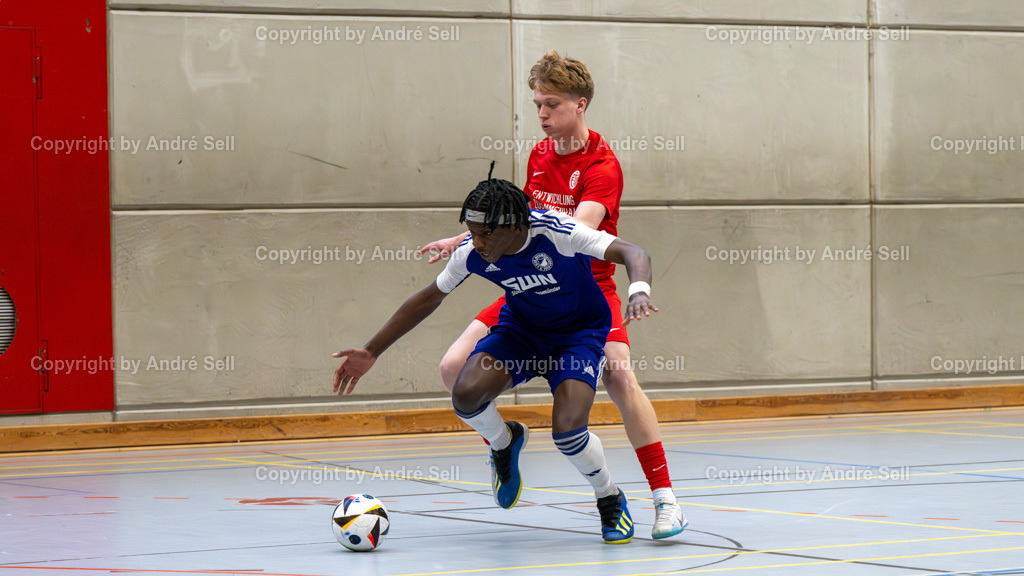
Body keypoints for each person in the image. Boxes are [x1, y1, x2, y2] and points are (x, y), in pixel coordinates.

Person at [417, 50, 687, 539]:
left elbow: (572, 234)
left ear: (580, 104)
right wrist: (461, 240)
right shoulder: (541, 155)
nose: (541, 114)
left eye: (552, 104)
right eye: (537, 105)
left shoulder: (602, 165)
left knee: (620, 377)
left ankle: (665, 498)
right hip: (531, 285)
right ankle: (503, 443)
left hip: (586, 287)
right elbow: (515, 218)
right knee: (452, 367)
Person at [334, 169, 658, 544]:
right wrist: (371, 350)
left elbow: (634, 252)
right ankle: (504, 442)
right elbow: (428, 298)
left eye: (486, 233)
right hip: (522, 334)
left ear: (515, 226)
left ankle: (609, 496)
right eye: (472, 232)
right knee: (466, 394)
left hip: (577, 336)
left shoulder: (557, 231)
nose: (477, 242)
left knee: (568, 430)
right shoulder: (473, 253)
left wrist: (639, 290)